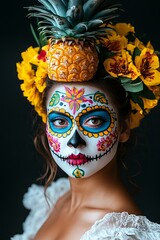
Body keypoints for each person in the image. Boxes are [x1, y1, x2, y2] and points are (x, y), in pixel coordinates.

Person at [12, 0, 160, 239]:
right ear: (45, 123)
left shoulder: (121, 234)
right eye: (60, 121)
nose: (74, 142)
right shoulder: (55, 201)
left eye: (93, 121)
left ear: (123, 128)